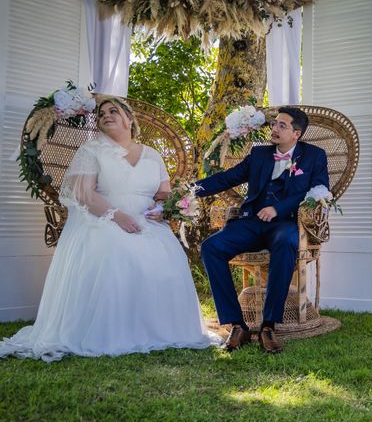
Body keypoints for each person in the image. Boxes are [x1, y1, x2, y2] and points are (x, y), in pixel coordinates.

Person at [0, 97, 222, 362]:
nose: (106, 115)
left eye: (114, 110)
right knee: (117, 251)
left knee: (168, 255)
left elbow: (163, 192)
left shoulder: (152, 154)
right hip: (102, 217)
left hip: (147, 220)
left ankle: (160, 329)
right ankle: (111, 331)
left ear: (130, 119)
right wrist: (117, 216)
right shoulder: (91, 151)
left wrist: (162, 208)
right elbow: (83, 194)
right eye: (102, 113)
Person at [196, 106, 329, 354]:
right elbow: (227, 178)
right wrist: (190, 192)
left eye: (282, 125)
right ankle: (238, 325)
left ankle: (268, 326)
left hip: (286, 223)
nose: (274, 129)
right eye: (274, 124)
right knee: (211, 247)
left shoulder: (315, 156)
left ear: (296, 134)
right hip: (250, 221)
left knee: (286, 242)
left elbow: (318, 190)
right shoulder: (259, 155)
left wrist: (279, 208)